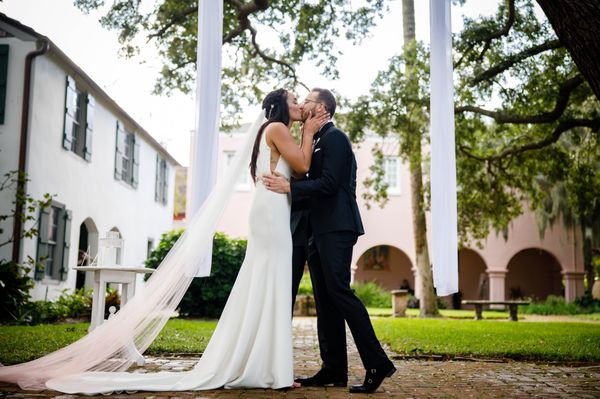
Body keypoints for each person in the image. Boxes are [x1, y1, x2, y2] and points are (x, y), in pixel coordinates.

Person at [0, 89, 329, 394]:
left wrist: (303, 142)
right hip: (271, 213)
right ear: (280, 106)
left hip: (272, 209)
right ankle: (267, 367)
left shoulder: (275, 130)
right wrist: (310, 133)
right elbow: (302, 166)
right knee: (270, 281)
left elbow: (297, 172)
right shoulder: (277, 128)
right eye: (294, 99)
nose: (300, 104)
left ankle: (268, 366)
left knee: (268, 283)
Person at [263, 88, 396, 394]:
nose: (302, 105)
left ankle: (378, 363)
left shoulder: (336, 138)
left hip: (337, 227)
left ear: (320, 107)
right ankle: (334, 369)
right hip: (316, 231)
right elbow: (307, 172)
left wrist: (290, 189)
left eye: (307, 101)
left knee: (340, 292)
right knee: (325, 299)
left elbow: (330, 184)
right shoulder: (316, 139)